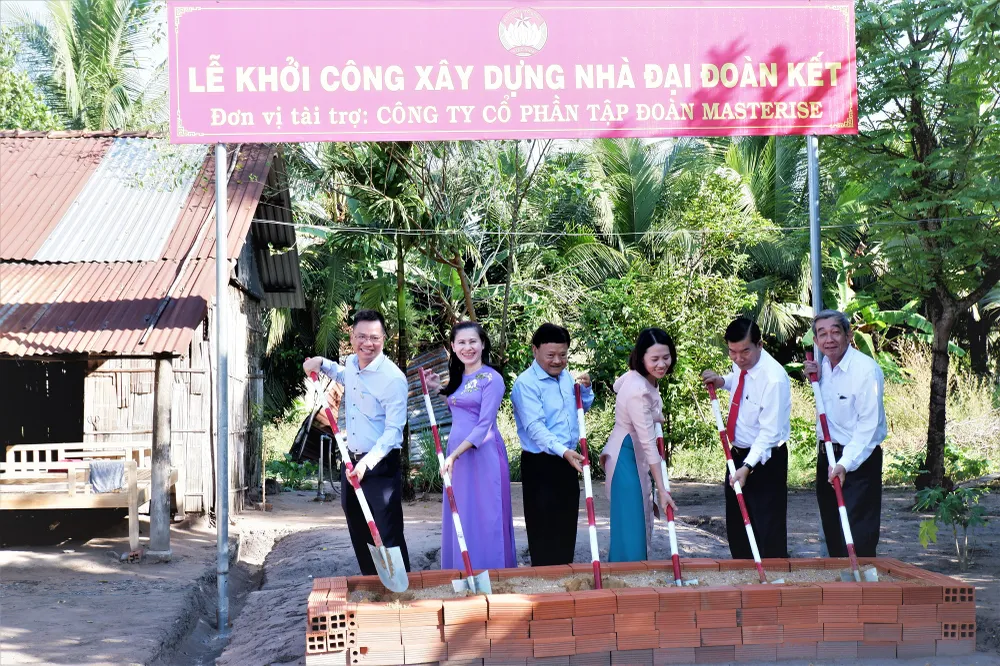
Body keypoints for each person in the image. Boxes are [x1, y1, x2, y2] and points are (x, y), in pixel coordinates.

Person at [302, 310, 411, 574]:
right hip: (350, 460)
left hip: (380, 466)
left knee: (387, 530)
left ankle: (401, 587)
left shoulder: (393, 379)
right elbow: (343, 375)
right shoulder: (352, 364)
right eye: (361, 336)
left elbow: (393, 432)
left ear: (384, 339)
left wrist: (366, 464)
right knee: (357, 524)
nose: (367, 343)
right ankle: (372, 581)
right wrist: (320, 363)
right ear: (352, 337)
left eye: (374, 337)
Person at [424, 322, 517, 570]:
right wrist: (437, 388)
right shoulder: (460, 377)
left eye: (473, 341)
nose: (468, 347)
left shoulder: (492, 378)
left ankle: (493, 572)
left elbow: (484, 425)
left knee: (488, 515)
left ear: (483, 344)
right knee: (462, 514)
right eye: (462, 342)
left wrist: (453, 455)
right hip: (457, 458)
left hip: (483, 455)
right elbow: (459, 404)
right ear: (453, 347)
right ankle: (463, 571)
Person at [701, 317, 791, 559]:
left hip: (764, 461)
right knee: (738, 527)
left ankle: (773, 578)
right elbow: (741, 382)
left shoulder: (773, 379)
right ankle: (742, 575)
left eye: (745, 352)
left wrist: (748, 466)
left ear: (759, 345)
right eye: (732, 352)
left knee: (767, 529)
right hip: (737, 456)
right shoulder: (742, 365)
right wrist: (722, 382)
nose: (738, 359)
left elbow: (769, 433)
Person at [804, 309, 887, 557]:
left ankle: (862, 581)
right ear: (816, 340)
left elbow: (868, 427)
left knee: (857, 537)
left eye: (835, 332)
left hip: (857, 461)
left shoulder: (865, 370)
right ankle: (840, 581)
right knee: (834, 533)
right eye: (822, 334)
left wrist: (844, 463)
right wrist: (813, 379)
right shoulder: (823, 368)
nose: (829, 339)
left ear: (848, 335)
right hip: (827, 457)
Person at [511, 323, 593, 566]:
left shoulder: (567, 378)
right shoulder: (526, 384)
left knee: (566, 527)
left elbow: (580, 410)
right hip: (541, 463)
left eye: (563, 355)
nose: (557, 361)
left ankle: (565, 577)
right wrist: (564, 451)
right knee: (544, 530)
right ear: (535, 350)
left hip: (567, 461)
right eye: (551, 355)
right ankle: (544, 581)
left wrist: (585, 391)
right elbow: (535, 429)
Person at [600, 328, 679, 562]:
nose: (661, 364)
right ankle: (628, 580)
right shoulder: (638, 390)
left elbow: (620, 387)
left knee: (637, 525)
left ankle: (631, 576)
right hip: (626, 458)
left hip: (633, 455)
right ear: (641, 357)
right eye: (654, 359)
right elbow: (648, 445)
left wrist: (653, 415)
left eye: (666, 357)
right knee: (632, 530)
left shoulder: (641, 377)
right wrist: (662, 490)